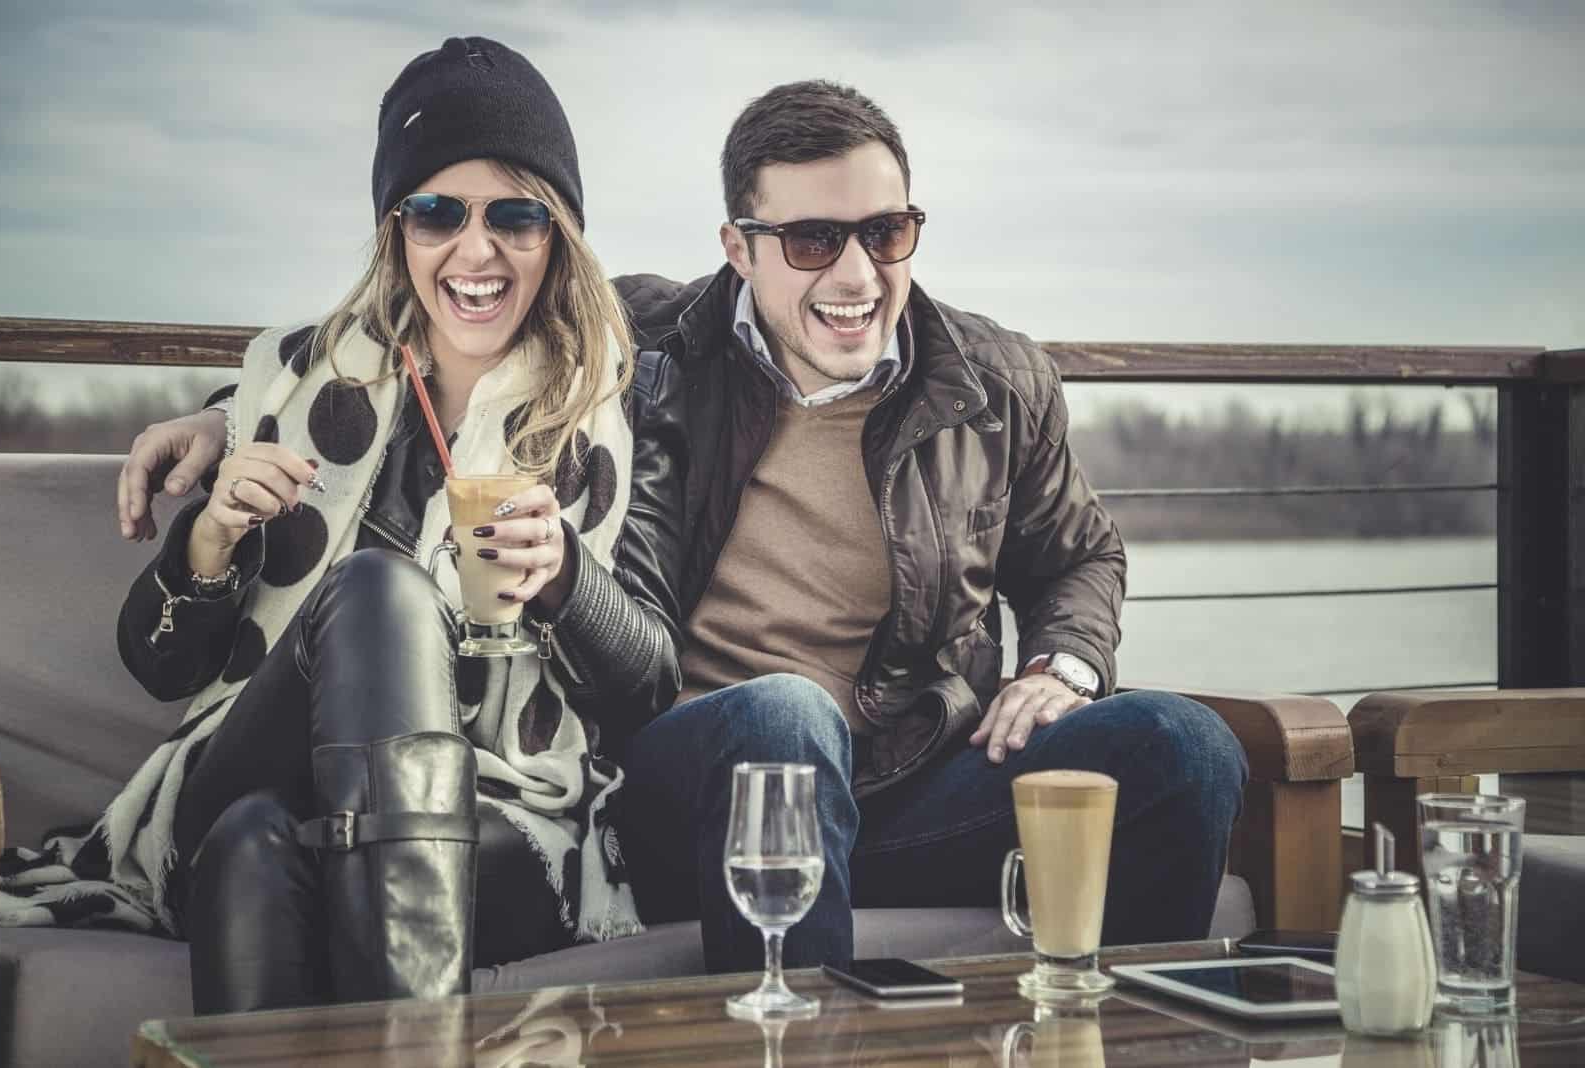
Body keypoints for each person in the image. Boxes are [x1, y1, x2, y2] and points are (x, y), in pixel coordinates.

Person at [113, 80, 1248, 975]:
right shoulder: (649, 339)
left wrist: (1064, 660)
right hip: (683, 773)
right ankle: (798, 1037)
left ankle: (1116, 1032)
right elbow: (439, 332)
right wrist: (223, 418)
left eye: (885, 232)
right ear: (737, 246)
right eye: (810, 241)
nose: (855, 275)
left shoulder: (995, 380)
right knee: (786, 719)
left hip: (907, 769)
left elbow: (1082, 552)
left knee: (1183, 748)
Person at [0, 37, 672, 1012]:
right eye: (437, 212)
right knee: (373, 590)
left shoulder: (615, 407)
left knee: (251, 856)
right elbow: (160, 668)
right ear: (397, 230)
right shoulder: (299, 391)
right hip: (245, 764)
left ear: (557, 235)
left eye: (516, 216)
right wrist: (212, 538)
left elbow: (648, 684)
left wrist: (568, 575)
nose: (475, 251)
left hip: (499, 807)